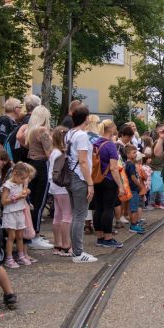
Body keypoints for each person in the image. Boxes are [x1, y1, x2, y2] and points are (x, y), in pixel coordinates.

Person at [65, 106, 98, 263]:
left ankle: (75, 250)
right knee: (80, 215)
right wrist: (90, 183)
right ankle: (78, 253)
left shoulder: (69, 134)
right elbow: (83, 161)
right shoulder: (82, 136)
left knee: (75, 215)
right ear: (86, 118)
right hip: (80, 177)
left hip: (70, 176)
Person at [22, 106, 53, 250]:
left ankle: (30, 233)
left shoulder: (30, 130)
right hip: (42, 166)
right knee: (39, 202)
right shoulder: (43, 131)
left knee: (31, 202)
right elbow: (49, 153)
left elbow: (22, 142)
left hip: (31, 165)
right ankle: (35, 234)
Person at [91, 119, 124, 248]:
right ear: (111, 129)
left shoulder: (95, 143)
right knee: (108, 208)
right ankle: (108, 237)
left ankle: (99, 236)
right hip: (109, 180)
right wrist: (120, 185)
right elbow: (114, 168)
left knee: (98, 208)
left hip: (97, 179)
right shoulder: (110, 145)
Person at [1, 162, 37, 268]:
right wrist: (17, 197)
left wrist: (26, 188)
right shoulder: (8, 185)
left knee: (20, 235)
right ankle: (9, 258)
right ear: (15, 173)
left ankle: (21, 255)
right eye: (22, 178)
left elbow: (24, 192)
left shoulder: (20, 183)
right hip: (10, 213)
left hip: (19, 211)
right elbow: (3, 201)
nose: (23, 181)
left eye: (25, 179)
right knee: (12, 236)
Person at [48, 127, 73, 256]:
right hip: (62, 186)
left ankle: (57, 245)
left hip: (54, 186)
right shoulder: (61, 154)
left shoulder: (54, 152)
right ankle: (66, 245)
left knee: (58, 215)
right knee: (67, 215)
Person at [124, 145, 145, 234]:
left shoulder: (127, 163)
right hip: (133, 189)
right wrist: (140, 185)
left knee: (132, 207)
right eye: (134, 152)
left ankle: (134, 224)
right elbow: (133, 177)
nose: (136, 154)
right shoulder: (131, 164)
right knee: (134, 208)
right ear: (128, 154)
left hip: (131, 188)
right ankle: (133, 225)